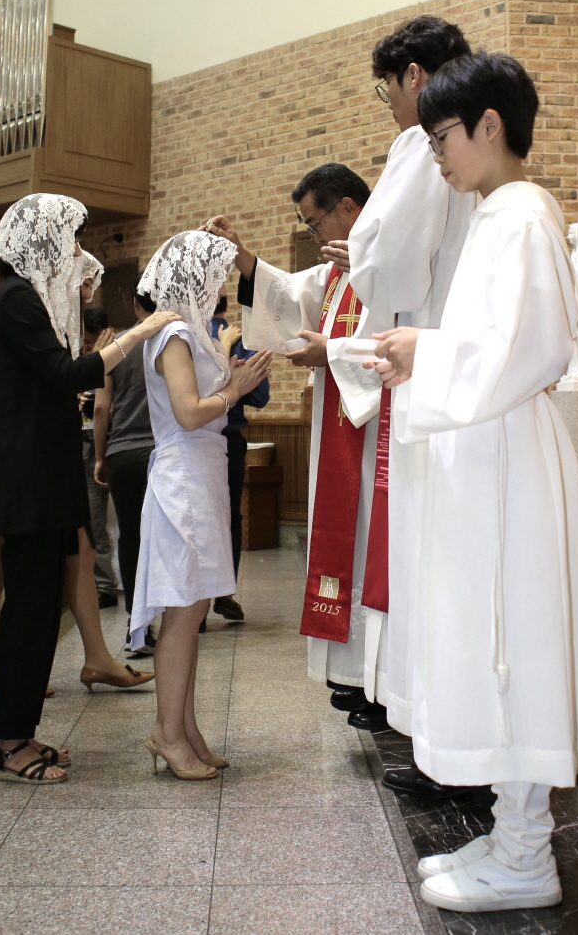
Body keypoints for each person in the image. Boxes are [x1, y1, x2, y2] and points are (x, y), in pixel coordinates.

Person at [371, 51, 578, 912]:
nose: (434, 152)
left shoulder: (518, 215)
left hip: (505, 460)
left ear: (488, 125)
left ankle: (525, 856)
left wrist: (424, 348)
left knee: (509, 643)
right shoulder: (497, 213)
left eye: (440, 134)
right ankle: (513, 832)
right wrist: (423, 355)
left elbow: (531, 349)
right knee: (495, 643)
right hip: (489, 454)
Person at [0, 193, 179, 784]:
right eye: (69, 239)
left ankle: (19, 729)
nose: (76, 251)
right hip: (26, 482)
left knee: (41, 609)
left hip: (43, 477)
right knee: (28, 611)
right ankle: (8, 742)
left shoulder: (27, 299)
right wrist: (139, 331)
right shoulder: (15, 297)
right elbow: (66, 374)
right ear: (41, 239)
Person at [343, 14, 476, 794]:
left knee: (433, 563)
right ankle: (448, 739)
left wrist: (362, 256)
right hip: (457, 368)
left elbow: (389, 265)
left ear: (414, 76)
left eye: (385, 88)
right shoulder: (468, 139)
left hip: (428, 367)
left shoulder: (424, 141)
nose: (388, 105)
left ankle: (449, 745)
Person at [204, 163, 387, 728]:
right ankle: (354, 674)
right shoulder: (335, 273)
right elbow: (285, 291)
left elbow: (399, 342)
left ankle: (381, 680)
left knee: (370, 548)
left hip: (378, 438)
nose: (312, 233)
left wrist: (330, 353)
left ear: (348, 208)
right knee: (346, 544)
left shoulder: (388, 265)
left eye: (314, 221)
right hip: (340, 428)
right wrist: (241, 256)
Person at [130, 231, 271, 780]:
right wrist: (235, 387)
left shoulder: (192, 332)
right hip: (183, 476)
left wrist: (235, 376)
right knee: (184, 612)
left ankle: (185, 729)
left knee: (193, 610)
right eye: (213, 276)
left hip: (203, 469)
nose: (218, 287)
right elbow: (189, 412)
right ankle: (167, 734)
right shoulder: (172, 334)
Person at [93, 278, 159, 655]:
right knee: (162, 539)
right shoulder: (173, 340)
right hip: (162, 451)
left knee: (130, 538)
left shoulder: (117, 345)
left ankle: (138, 626)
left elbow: (102, 407)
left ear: (135, 303)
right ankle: (181, 618)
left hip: (122, 452)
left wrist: (100, 457)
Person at [210, 290, 270, 623]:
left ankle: (192, 604)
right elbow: (259, 397)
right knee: (229, 516)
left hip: (188, 438)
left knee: (195, 519)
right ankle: (224, 593)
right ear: (224, 303)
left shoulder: (183, 336)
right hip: (228, 440)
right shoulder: (239, 340)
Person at [81, 306, 119, 609]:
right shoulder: (77, 361)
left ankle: (109, 584)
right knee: (93, 521)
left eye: (94, 342)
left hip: (111, 442)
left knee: (111, 520)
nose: (89, 347)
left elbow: (104, 407)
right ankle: (103, 584)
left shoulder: (117, 356)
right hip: (83, 442)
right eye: (86, 342)